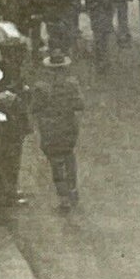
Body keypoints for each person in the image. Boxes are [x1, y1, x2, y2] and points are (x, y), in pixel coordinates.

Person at [30, 51, 82, 212]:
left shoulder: (40, 87)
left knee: (56, 162)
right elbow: (80, 105)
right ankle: (72, 190)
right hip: (68, 126)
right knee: (69, 157)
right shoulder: (72, 84)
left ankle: (63, 197)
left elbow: (34, 108)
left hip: (49, 128)